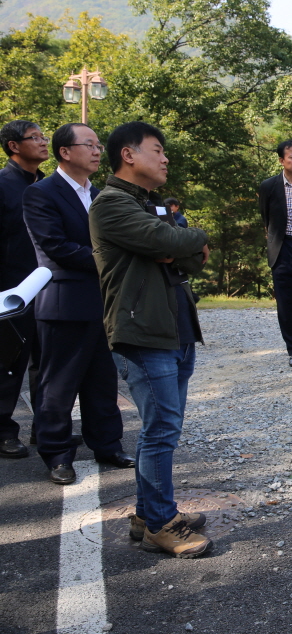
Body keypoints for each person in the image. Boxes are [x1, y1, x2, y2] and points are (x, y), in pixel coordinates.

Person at [91, 121, 212, 557]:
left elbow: (190, 260)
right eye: (157, 150)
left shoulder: (150, 203)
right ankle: (162, 522)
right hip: (143, 332)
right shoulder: (110, 205)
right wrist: (184, 238)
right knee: (162, 430)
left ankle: (147, 513)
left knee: (161, 429)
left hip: (173, 326)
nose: (165, 158)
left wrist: (179, 244)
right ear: (128, 154)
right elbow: (171, 240)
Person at [22, 123, 134, 485]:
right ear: (65, 152)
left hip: (104, 302)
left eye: (99, 145)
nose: (98, 150)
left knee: (103, 380)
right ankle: (56, 453)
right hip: (65, 301)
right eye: (89, 145)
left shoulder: (100, 194)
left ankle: (107, 444)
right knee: (59, 383)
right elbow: (54, 247)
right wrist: (109, 259)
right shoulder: (41, 193)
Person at [0, 120, 47, 460]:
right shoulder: (3, 185)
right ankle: (4, 431)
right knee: (8, 363)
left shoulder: (46, 186)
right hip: (11, 290)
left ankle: (45, 430)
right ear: (14, 146)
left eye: (44, 136)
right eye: (35, 138)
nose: (44, 142)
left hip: (47, 287)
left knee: (46, 362)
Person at [258, 140, 292, 366]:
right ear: (281, 160)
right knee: (286, 302)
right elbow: (266, 218)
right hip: (283, 248)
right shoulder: (269, 186)